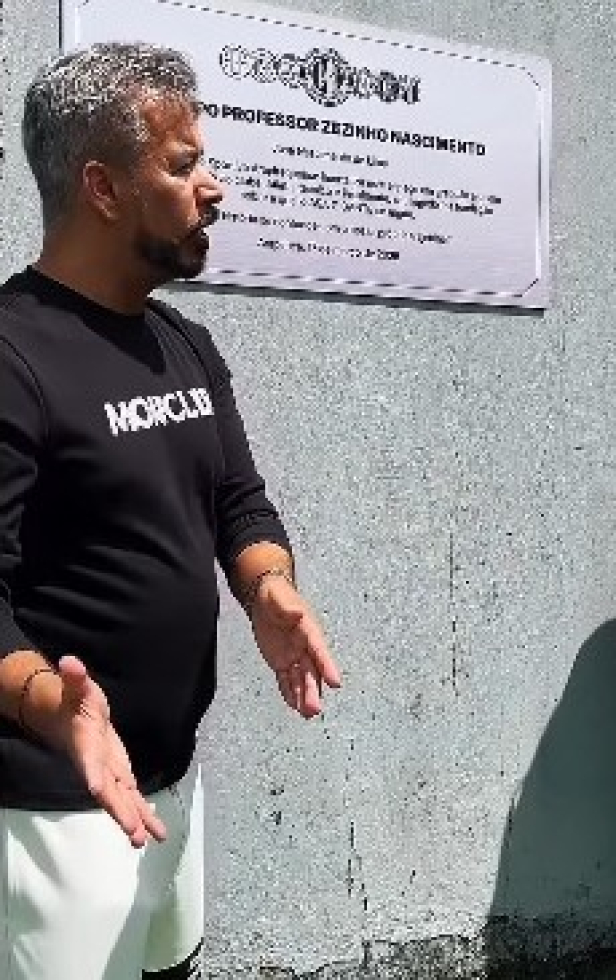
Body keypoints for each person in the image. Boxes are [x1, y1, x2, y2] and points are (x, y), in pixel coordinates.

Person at [0, 42, 341, 980]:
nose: (215, 187)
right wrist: (47, 702)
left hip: (173, 781)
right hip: (51, 806)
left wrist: (269, 587)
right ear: (104, 189)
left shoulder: (180, 340)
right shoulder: (14, 354)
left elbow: (237, 497)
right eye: (185, 164)